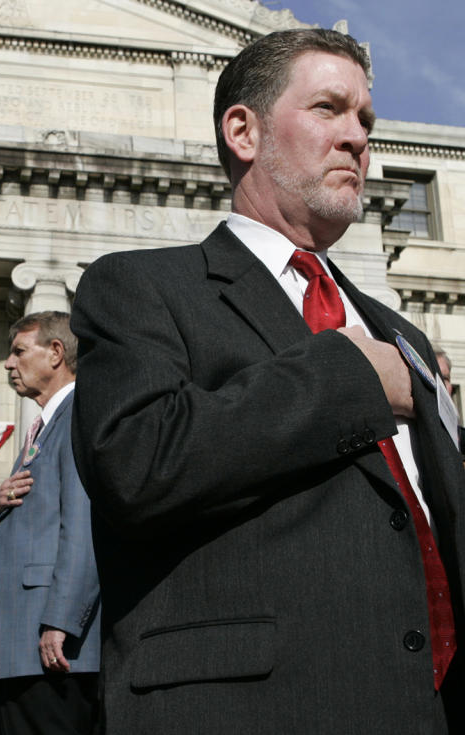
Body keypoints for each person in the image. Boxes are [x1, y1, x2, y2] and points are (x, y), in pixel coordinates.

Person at [71, 28, 465, 733]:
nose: (356, 137)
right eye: (329, 109)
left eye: (366, 120)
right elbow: (135, 462)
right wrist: (346, 376)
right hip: (248, 708)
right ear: (243, 131)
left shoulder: (398, 332)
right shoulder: (142, 288)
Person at [0, 311, 100, 735]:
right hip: (20, 644)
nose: (8, 363)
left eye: (19, 351)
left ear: (56, 353)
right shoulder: (43, 428)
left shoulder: (79, 416)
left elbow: (83, 528)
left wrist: (61, 620)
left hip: (53, 645)